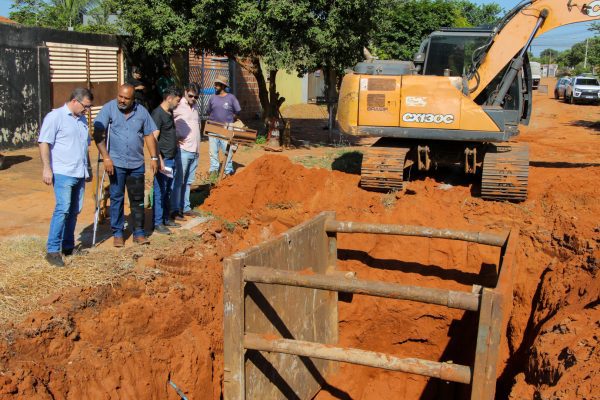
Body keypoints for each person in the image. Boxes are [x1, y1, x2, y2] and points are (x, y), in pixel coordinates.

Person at [93, 84, 160, 247]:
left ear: (133, 99)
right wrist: (106, 157)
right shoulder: (109, 108)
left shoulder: (142, 111)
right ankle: (117, 232)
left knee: (137, 199)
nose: (122, 101)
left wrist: (154, 157)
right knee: (116, 197)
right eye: (120, 97)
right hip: (115, 164)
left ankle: (138, 232)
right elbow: (97, 133)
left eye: (126, 98)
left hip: (136, 163)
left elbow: (149, 135)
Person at [38, 87, 94, 267]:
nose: (87, 110)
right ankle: (53, 250)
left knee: (74, 210)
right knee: (62, 209)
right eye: (85, 106)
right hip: (63, 172)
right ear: (75, 101)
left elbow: (84, 147)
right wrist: (47, 168)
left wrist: (89, 168)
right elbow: (44, 142)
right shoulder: (55, 117)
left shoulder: (82, 120)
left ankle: (68, 246)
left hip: (79, 172)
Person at [151, 87, 182, 234]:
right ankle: (157, 223)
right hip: (164, 160)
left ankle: (165, 218)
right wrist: (159, 159)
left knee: (168, 190)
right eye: (176, 101)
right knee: (160, 190)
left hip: (172, 157)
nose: (177, 104)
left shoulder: (169, 112)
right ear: (169, 98)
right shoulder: (158, 114)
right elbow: (153, 139)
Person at [171, 83, 201, 219]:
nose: (193, 98)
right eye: (190, 95)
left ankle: (186, 207)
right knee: (179, 181)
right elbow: (167, 121)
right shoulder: (178, 106)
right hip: (183, 150)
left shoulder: (195, 106)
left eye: (196, 97)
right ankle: (175, 209)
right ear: (185, 92)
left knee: (188, 181)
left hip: (195, 150)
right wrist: (173, 137)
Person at [206, 75, 241, 178]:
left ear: (222, 86)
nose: (215, 86)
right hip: (213, 127)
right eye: (215, 84)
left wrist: (230, 120)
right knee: (213, 151)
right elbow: (208, 111)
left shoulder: (231, 98)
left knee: (228, 150)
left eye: (217, 84)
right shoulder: (212, 98)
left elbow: (238, 111)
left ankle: (228, 170)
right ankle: (214, 171)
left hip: (226, 128)